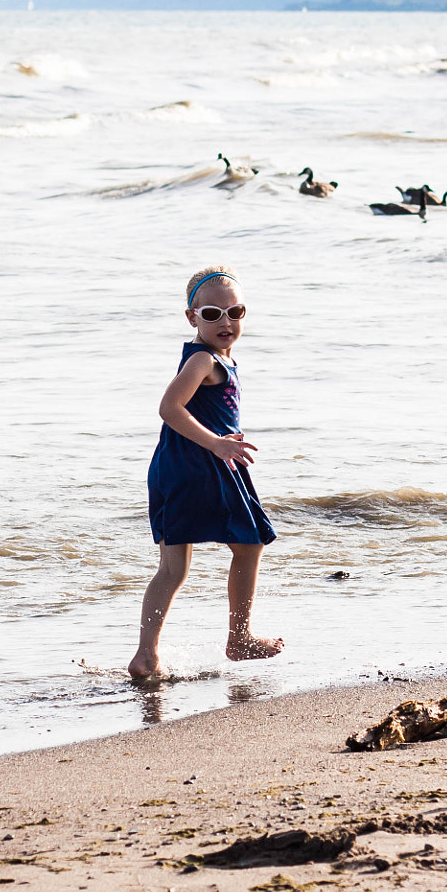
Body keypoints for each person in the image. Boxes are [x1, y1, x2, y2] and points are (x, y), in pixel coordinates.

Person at [127, 266, 283, 681]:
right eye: (212, 314)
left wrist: (219, 440)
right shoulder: (203, 359)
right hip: (201, 467)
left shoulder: (214, 358)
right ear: (192, 317)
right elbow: (169, 408)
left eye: (235, 312)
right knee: (249, 545)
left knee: (173, 569)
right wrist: (216, 443)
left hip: (176, 468)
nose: (226, 322)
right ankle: (240, 637)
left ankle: (147, 656)